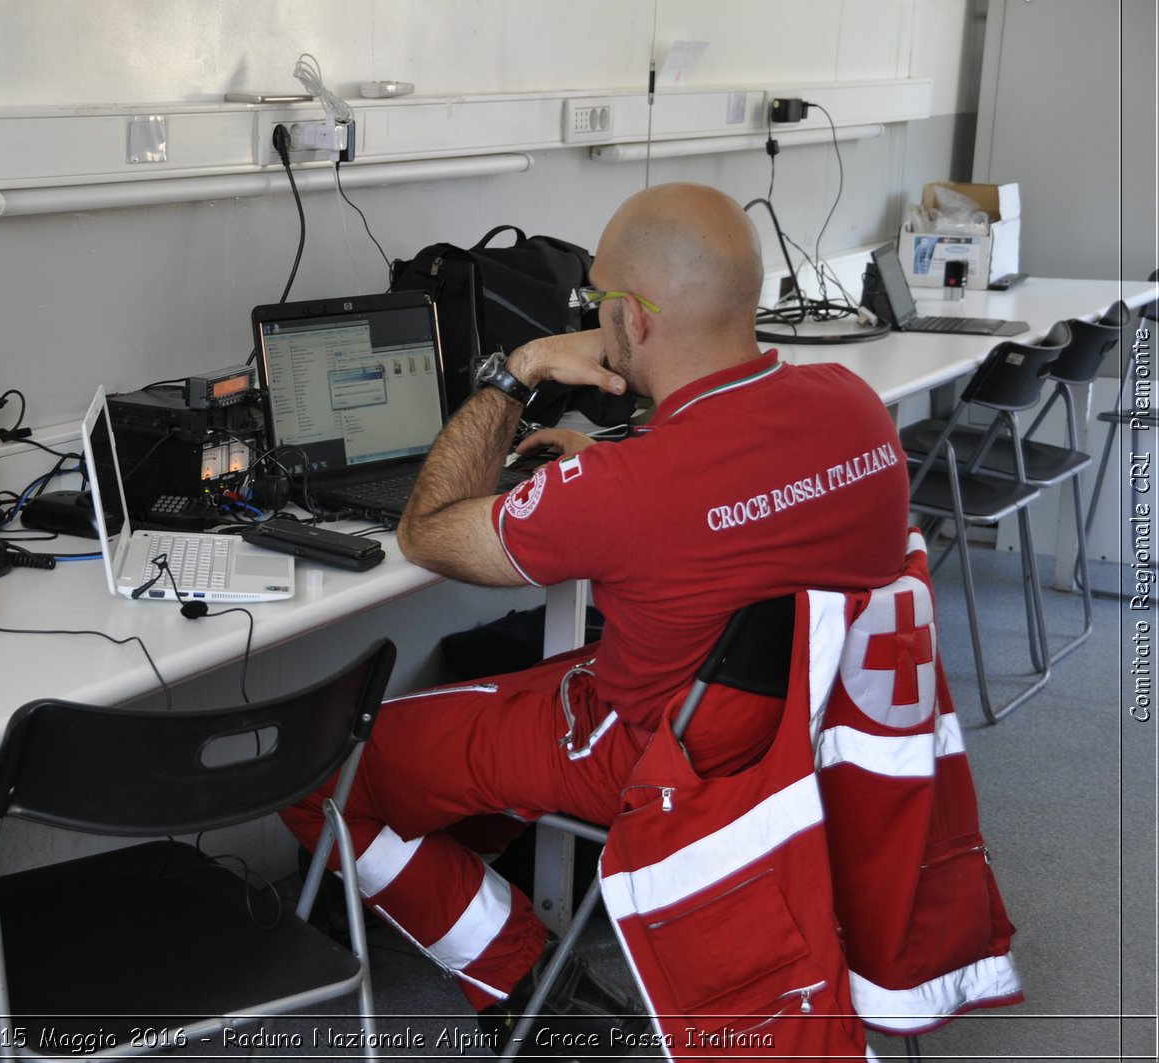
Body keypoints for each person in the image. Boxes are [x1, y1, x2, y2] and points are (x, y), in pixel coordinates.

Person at [281, 182, 911, 1046]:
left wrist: (523, 366)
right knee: (486, 691)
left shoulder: (622, 492)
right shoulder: (855, 408)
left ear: (632, 320)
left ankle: (517, 969)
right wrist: (612, 466)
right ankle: (472, 857)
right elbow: (737, 490)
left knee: (319, 763)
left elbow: (425, 533)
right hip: (794, 734)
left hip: (646, 753)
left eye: (596, 301)